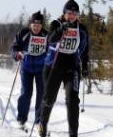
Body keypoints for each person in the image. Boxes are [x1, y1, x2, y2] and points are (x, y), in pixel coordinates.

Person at [38, 0, 89, 137]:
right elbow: (50, 39)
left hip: (72, 65)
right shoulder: (56, 23)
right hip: (54, 65)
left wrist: (85, 66)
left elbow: (85, 48)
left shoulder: (81, 28)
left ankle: (74, 134)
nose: (72, 15)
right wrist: (61, 30)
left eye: (75, 13)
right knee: (49, 99)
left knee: (73, 100)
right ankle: (42, 126)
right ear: (64, 13)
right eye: (69, 12)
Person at [12, 11, 48, 128]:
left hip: (41, 69)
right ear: (30, 24)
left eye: (39, 25)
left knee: (42, 94)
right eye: (34, 25)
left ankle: (39, 121)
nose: (36, 27)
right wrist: (17, 54)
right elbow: (14, 47)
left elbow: (51, 50)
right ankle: (21, 119)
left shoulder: (46, 35)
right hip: (26, 68)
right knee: (26, 93)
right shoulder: (23, 33)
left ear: (42, 25)